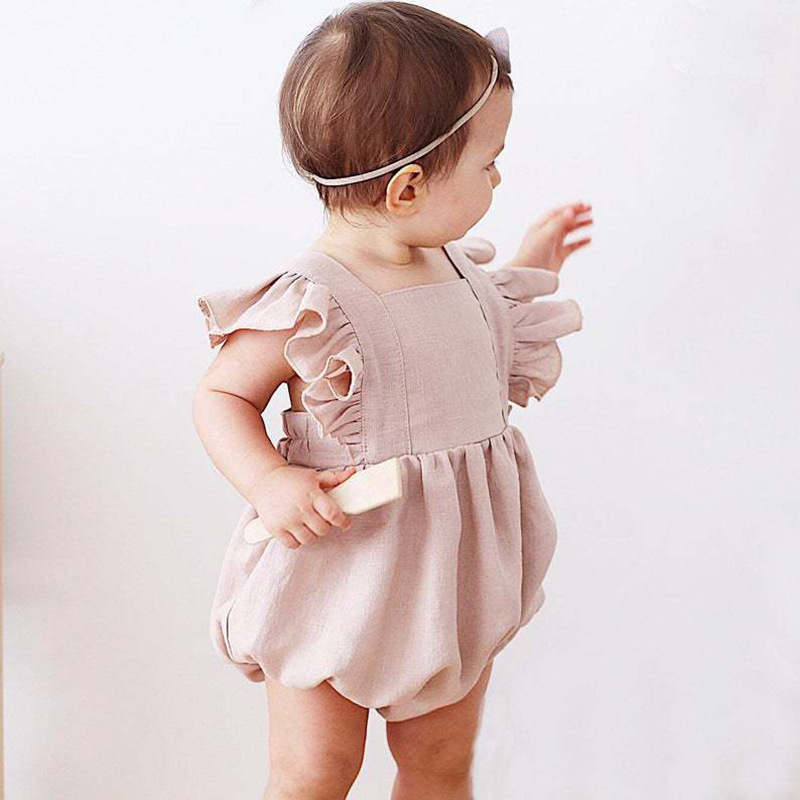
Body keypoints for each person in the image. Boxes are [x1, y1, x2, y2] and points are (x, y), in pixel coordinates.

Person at [192, 3, 592, 798]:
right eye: (490, 163)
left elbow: (481, 337)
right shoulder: (312, 301)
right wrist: (269, 481)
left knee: (439, 764)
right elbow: (221, 396)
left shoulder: (459, 272)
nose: (499, 178)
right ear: (408, 188)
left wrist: (532, 261)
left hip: (450, 575)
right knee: (315, 772)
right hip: (334, 569)